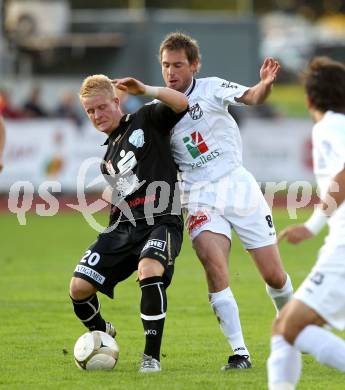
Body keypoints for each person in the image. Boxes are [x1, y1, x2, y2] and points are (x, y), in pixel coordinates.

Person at [158, 32, 294, 370]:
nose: (171, 72)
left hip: (237, 185)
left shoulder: (211, 88)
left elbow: (251, 96)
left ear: (194, 65)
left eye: (177, 65)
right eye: (165, 65)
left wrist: (265, 84)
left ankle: (292, 329)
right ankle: (240, 353)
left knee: (274, 276)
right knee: (212, 265)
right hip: (199, 195)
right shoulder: (158, 111)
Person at [69, 74, 188, 373]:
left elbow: (181, 102)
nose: (97, 116)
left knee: (149, 269)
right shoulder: (107, 158)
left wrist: (147, 90)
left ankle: (151, 358)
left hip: (162, 221)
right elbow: (123, 195)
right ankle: (102, 333)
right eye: (90, 111)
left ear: (116, 102)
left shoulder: (147, 118)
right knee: (79, 287)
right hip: (124, 227)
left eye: (101, 108)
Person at [267, 57, 345, 389]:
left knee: (290, 327)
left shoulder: (330, 125)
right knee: (283, 329)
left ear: (309, 98)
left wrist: (311, 226)